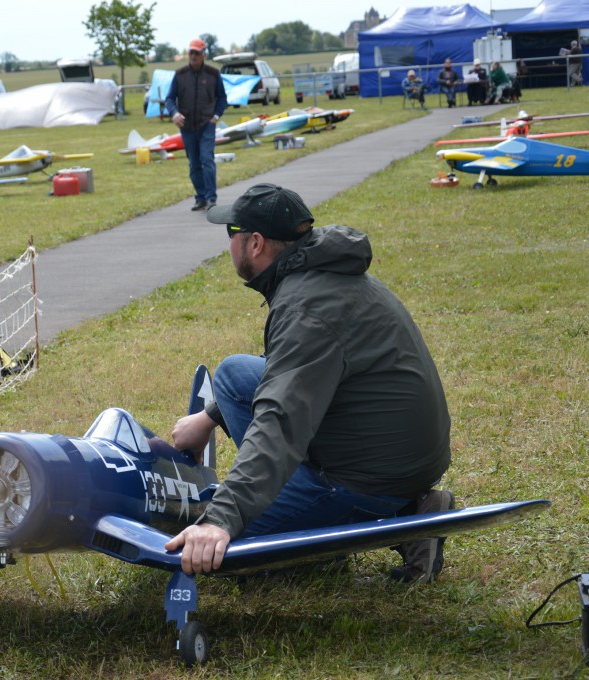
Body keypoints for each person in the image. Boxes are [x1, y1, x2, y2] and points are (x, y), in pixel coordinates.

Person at [165, 184, 453, 581]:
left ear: (256, 244)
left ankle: (406, 517)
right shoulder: (316, 273)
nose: (227, 245)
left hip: (371, 476)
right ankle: (382, 510)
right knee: (233, 374)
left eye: (231, 233)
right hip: (385, 446)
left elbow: (279, 423)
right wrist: (208, 417)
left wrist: (221, 519)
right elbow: (286, 370)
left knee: (226, 557)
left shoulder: (306, 309)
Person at [165, 38, 227, 211]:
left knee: (207, 159)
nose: (193, 56)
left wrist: (216, 115)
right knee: (194, 163)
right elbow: (170, 98)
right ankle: (200, 197)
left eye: (197, 53)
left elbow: (222, 98)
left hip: (207, 123)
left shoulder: (213, 74)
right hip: (187, 125)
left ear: (203, 55)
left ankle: (211, 198)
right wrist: (174, 113)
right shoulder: (180, 75)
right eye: (191, 52)